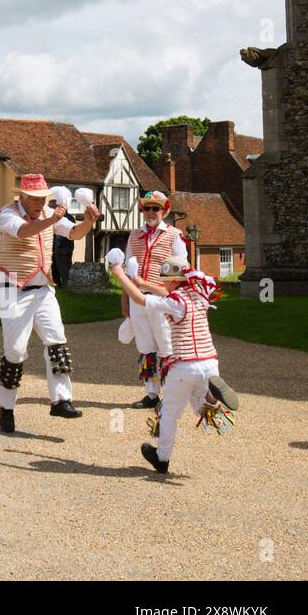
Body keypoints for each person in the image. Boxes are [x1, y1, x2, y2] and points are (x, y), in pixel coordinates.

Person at [0, 172, 100, 433]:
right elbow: (23, 232)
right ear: (23, 197)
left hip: (42, 288)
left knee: (56, 341)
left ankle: (61, 400)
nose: (41, 204)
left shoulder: (48, 215)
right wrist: (52, 218)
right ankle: (6, 407)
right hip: (11, 289)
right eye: (36, 199)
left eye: (44, 199)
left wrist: (88, 222)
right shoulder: (6, 215)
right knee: (15, 352)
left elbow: (73, 233)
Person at [112, 258, 239, 475]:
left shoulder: (174, 302)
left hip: (184, 365)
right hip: (210, 363)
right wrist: (143, 282)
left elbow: (139, 300)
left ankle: (162, 460)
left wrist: (120, 275)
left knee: (170, 414)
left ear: (172, 281)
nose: (165, 285)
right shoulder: (199, 294)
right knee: (200, 407)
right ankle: (211, 397)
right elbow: (163, 291)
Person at [123, 190, 187, 409]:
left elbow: (181, 271)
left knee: (166, 346)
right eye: (147, 208)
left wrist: (165, 293)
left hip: (162, 297)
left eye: (156, 208)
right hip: (137, 298)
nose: (150, 212)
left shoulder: (174, 235)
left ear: (165, 210)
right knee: (145, 345)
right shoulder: (133, 235)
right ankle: (151, 394)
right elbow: (126, 269)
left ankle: (170, 397)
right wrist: (125, 298)